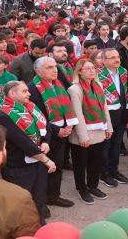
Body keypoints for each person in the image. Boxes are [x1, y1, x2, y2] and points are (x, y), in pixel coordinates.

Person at [0, 81, 55, 222]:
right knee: (20, 201)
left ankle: (39, 224)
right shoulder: (3, 115)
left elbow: (46, 126)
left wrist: (46, 141)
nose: (29, 93)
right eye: (25, 91)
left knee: (39, 197)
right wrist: (46, 160)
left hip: (37, 161)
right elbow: (22, 141)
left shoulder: (31, 107)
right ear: (12, 94)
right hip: (19, 165)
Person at [28, 56, 76, 209]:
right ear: (37, 71)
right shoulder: (32, 89)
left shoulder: (58, 85)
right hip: (44, 136)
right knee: (43, 168)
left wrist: (69, 126)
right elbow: (37, 116)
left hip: (63, 132)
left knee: (58, 166)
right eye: (49, 67)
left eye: (55, 66)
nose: (55, 69)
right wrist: (57, 130)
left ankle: (54, 196)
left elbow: (67, 108)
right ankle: (41, 202)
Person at [68, 58, 113, 204]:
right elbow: (77, 114)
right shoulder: (74, 89)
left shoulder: (98, 85)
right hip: (83, 133)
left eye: (93, 68)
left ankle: (93, 186)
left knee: (96, 162)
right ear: (79, 72)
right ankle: (82, 189)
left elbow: (104, 108)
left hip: (98, 130)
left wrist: (109, 127)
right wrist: (83, 137)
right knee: (80, 164)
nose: (91, 70)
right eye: (87, 68)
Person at [98, 48, 128, 187]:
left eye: (117, 56)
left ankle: (114, 170)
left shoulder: (123, 72)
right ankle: (104, 174)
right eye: (112, 57)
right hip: (107, 114)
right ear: (104, 61)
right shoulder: (98, 75)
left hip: (121, 113)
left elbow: (126, 93)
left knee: (117, 145)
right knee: (106, 145)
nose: (116, 59)